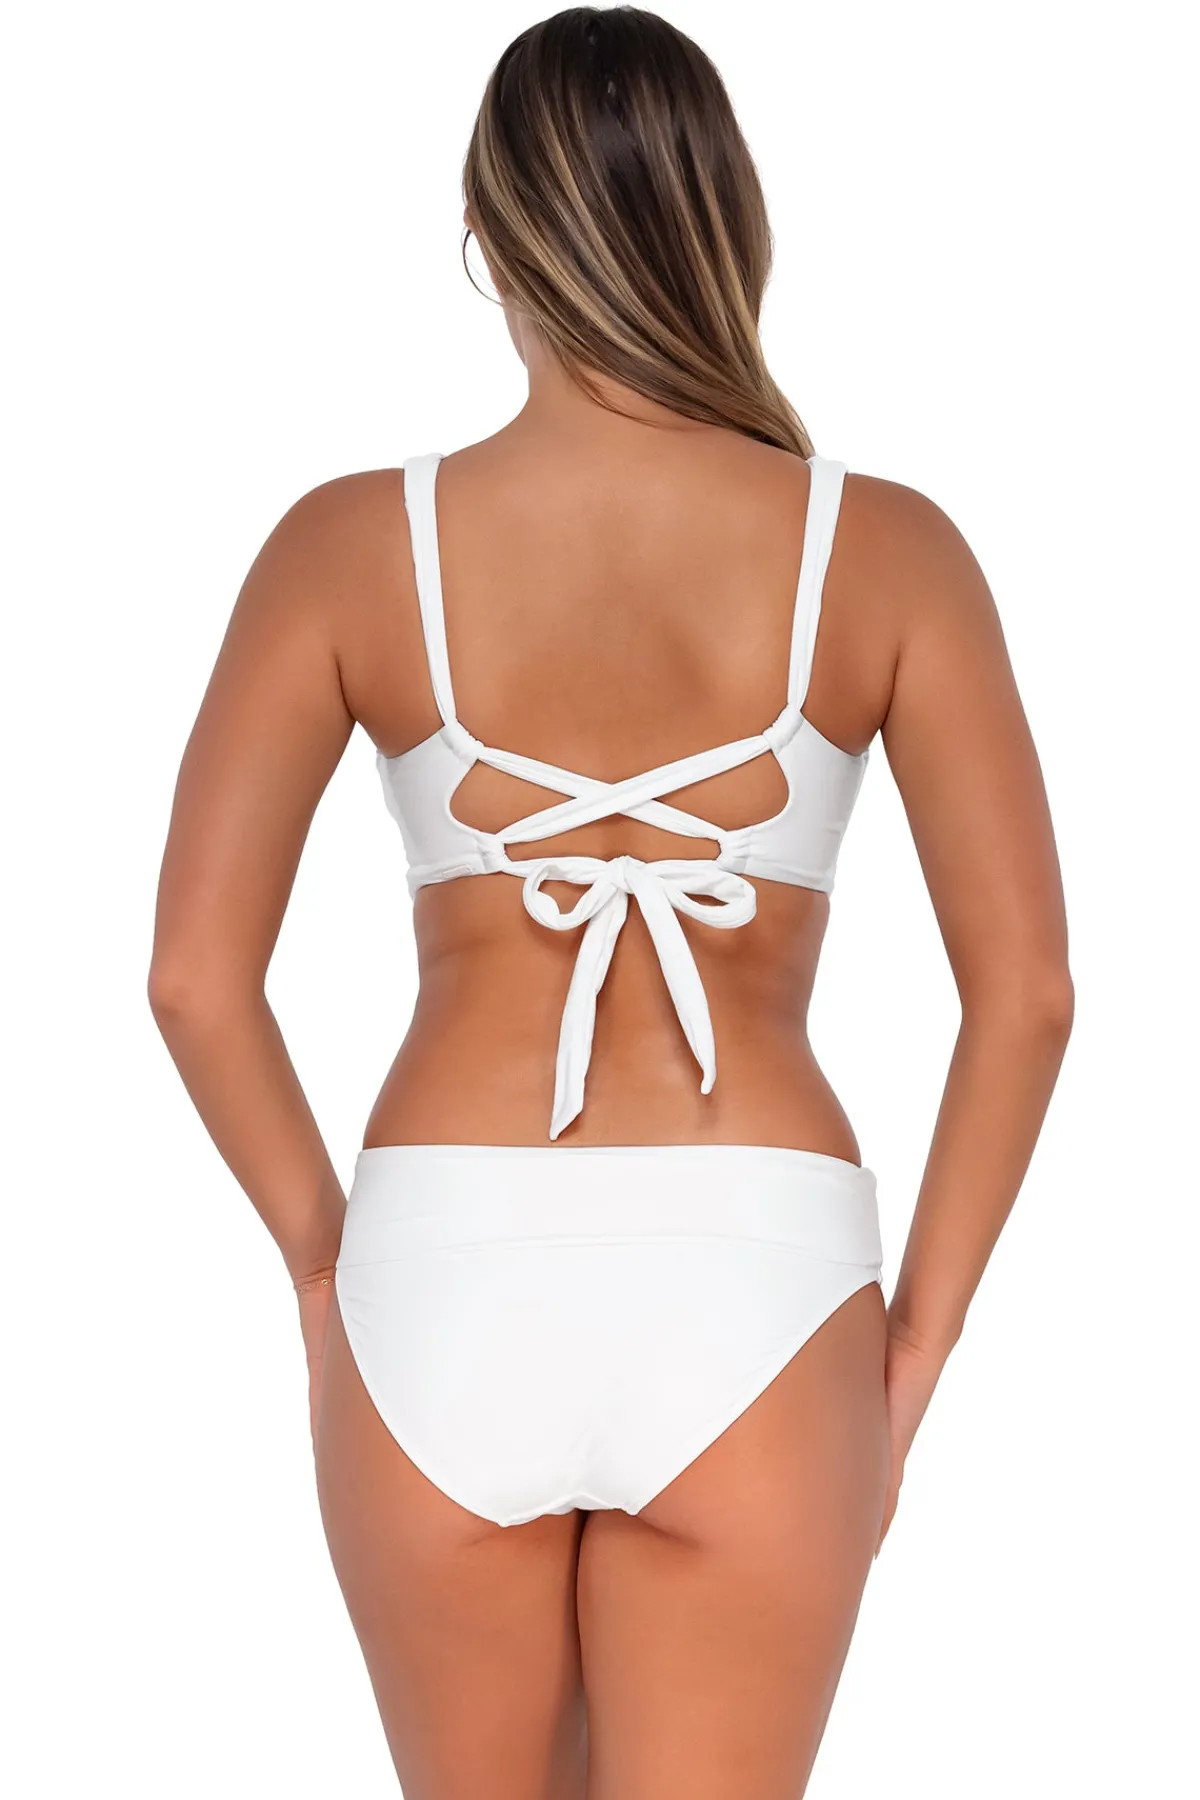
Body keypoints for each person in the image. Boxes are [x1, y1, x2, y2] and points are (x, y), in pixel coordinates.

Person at [149, 8, 1073, 1795]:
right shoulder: (885, 547)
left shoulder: (350, 543)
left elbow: (194, 976)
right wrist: (918, 1343)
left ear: (486, 233)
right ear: (732, 220)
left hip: (441, 1259)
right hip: (760, 1276)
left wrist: (325, 1264)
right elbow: (1027, 995)